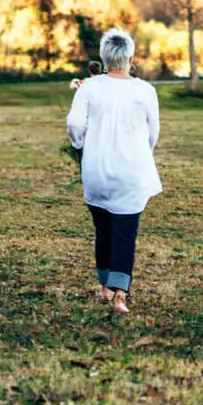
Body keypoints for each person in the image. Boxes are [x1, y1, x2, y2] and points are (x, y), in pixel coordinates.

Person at [66, 29, 161, 315]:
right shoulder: (145, 90)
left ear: (104, 58)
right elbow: (153, 132)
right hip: (132, 170)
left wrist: (80, 145)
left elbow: (74, 123)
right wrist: (142, 152)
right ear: (131, 59)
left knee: (103, 228)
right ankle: (120, 293)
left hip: (96, 168)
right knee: (125, 232)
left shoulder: (89, 87)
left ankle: (104, 287)